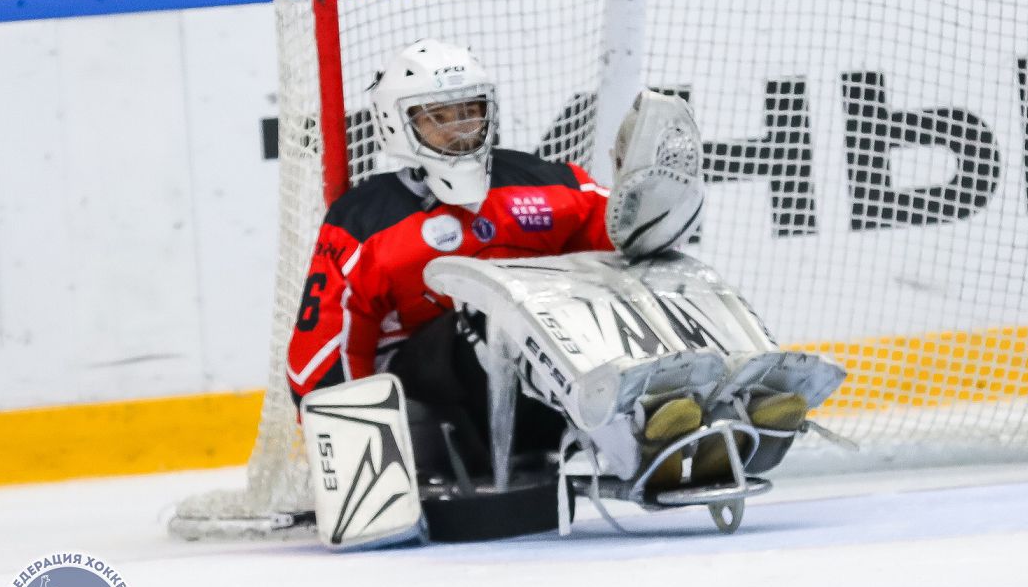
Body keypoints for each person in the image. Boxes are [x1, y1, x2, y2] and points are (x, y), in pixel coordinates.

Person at [285, 39, 722, 485]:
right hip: (434, 415)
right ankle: (638, 444)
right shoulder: (364, 219)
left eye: (469, 111)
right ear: (397, 123)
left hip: (539, 407)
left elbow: (629, 239)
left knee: (653, 274)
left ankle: (715, 406)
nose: (459, 128)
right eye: (438, 117)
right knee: (492, 310)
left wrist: (657, 214)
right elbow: (320, 354)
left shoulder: (546, 183)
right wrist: (355, 452)